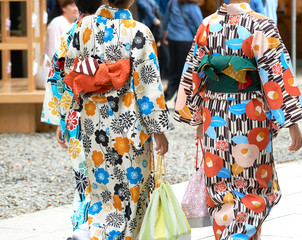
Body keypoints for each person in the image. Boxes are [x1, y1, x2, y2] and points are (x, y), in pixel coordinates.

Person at [174, 0, 302, 239]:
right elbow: (277, 74)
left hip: (213, 114)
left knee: (221, 188)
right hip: (250, 115)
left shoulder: (207, 25)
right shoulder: (262, 24)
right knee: (255, 187)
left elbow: (193, 74)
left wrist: (197, 120)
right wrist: (292, 123)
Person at [63, 0, 174, 239]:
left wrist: (79, 102)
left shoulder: (83, 28)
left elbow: (71, 70)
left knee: (102, 191)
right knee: (132, 191)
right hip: (127, 124)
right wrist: (158, 129)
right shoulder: (138, 31)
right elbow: (148, 83)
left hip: (93, 123)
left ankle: (99, 234)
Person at [41, 1, 102, 239]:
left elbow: (56, 78)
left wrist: (61, 119)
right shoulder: (118, 30)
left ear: (78, 5)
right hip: (109, 112)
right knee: (107, 172)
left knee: (82, 175)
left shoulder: (70, 34)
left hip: (76, 114)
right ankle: (102, 226)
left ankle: (81, 227)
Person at [163, 0, 203, 101]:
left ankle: (168, 94)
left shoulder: (172, 2)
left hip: (172, 39)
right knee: (184, 70)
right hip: (186, 41)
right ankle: (180, 97)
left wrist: (164, 33)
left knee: (173, 68)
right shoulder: (192, 6)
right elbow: (200, 26)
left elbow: (166, 20)